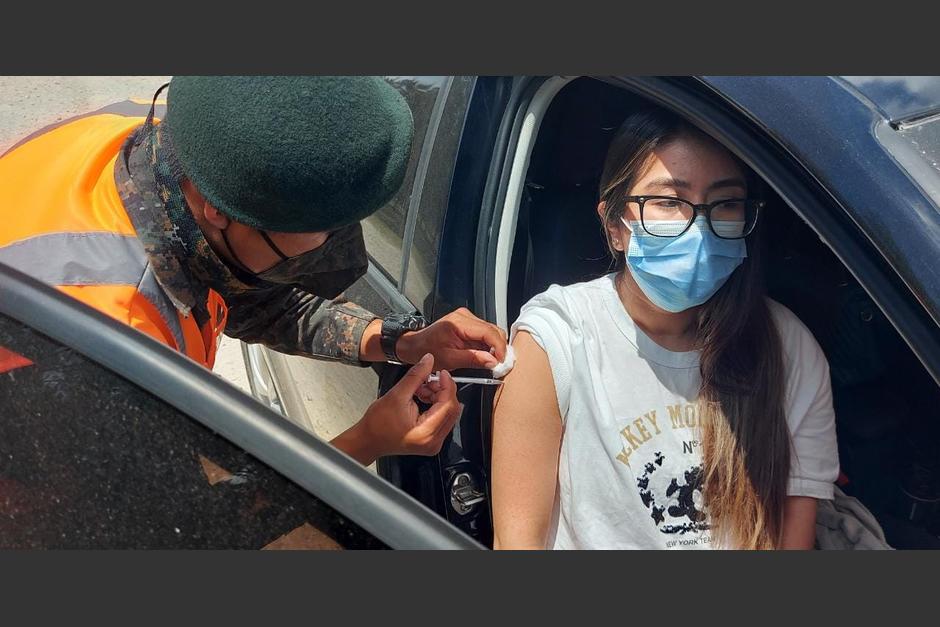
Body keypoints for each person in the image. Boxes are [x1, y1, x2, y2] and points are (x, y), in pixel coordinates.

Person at [0, 76, 507, 466]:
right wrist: (365, 443)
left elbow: (248, 302)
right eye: (318, 228)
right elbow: (186, 534)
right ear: (220, 209)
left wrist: (400, 342)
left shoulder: (162, 145)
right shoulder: (113, 342)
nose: (334, 246)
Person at [491, 107, 839, 549]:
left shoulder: (787, 347)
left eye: (726, 203)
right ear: (614, 226)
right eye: (669, 202)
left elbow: (792, 539)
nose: (699, 228)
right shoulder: (557, 339)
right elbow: (517, 545)